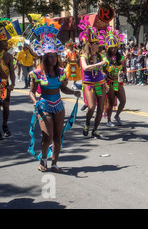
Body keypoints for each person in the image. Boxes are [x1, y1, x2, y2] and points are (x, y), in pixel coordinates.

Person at [28, 24, 81, 172]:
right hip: (44, 105)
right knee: (47, 135)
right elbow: (32, 92)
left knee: (58, 136)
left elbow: (62, 88)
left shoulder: (61, 72)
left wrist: (74, 92)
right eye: (49, 56)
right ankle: (43, 159)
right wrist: (35, 102)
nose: (52, 59)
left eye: (54, 56)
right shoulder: (37, 73)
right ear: (44, 58)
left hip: (58, 106)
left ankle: (55, 163)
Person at [78, 17, 107, 138]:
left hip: (100, 83)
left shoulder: (100, 56)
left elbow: (101, 70)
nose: (98, 45)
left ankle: (95, 129)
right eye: (96, 44)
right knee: (91, 107)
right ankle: (87, 123)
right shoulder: (83, 56)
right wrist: (99, 64)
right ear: (90, 45)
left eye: (98, 43)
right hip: (89, 85)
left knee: (100, 109)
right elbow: (85, 68)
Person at [101, 27, 126, 127]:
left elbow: (124, 69)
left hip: (118, 82)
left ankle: (117, 115)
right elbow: (102, 71)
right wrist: (105, 75)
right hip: (110, 82)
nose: (114, 50)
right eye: (112, 48)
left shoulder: (121, 57)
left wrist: (122, 73)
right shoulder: (105, 58)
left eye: (115, 48)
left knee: (123, 101)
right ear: (108, 48)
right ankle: (109, 120)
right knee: (110, 103)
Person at [0, 29, 16, 140]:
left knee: (6, 107)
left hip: (4, 84)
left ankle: (5, 125)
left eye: (6, 41)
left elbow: (12, 72)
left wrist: (13, 84)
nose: (6, 43)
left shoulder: (9, 56)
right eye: (4, 41)